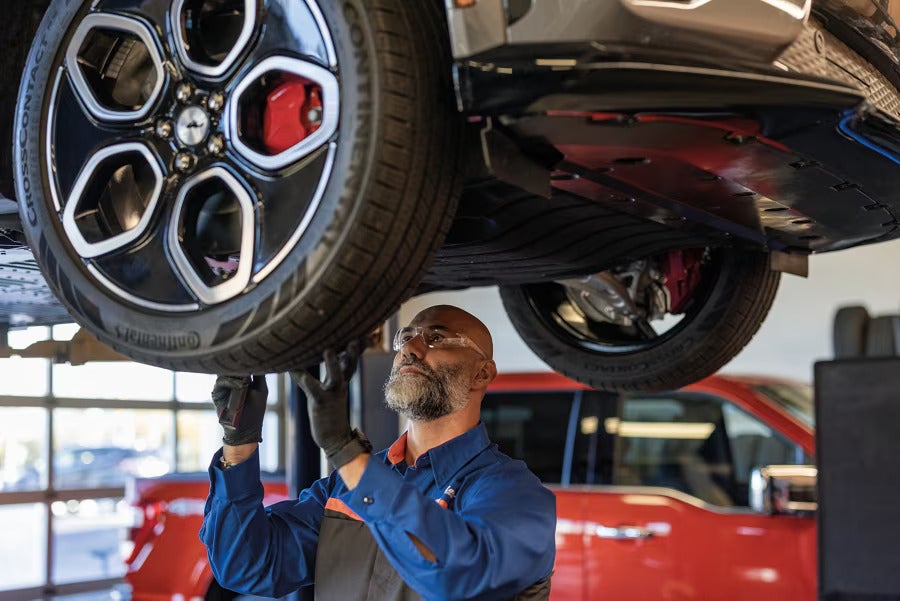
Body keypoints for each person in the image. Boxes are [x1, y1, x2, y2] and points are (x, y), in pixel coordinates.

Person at [200, 305, 557, 601]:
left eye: (435, 337)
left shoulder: (513, 493)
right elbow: (245, 566)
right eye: (406, 338)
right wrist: (239, 442)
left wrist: (347, 454)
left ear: (482, 373)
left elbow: (456, 575)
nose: (410, 349)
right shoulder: (345, 486)